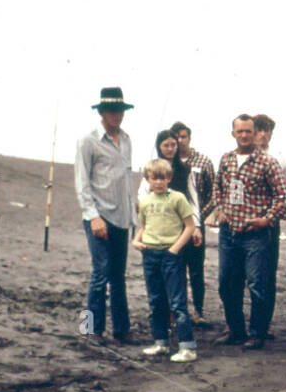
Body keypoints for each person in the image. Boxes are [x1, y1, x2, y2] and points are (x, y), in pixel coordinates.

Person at [213, 114, 286, 349]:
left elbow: (283, 196)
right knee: (227, 283)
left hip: (256, 235)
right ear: (233, 133)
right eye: (240, 131)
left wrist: (266, 219)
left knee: (258, 284)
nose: (244, 135)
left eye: (248, 131)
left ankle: (257, 333)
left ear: (255, 133)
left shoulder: (267, 162)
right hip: (229, 233)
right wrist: (220, 209)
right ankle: (236, 330)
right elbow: (218, 188)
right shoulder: (226, 160)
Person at [76, 87, 137, 342]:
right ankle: (91, 329)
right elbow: (82, 182)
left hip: (122, 218)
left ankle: (122, 330)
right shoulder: (88, 141)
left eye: (119, 111)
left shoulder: (127, 139)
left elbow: (126, 181)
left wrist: (133, 217)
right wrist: (93, 216)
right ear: (101, 112)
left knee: (118, 277)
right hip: (99, 217)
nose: (116, 115)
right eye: (111, 111)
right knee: (99, 274)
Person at [134, 158, 198, 362]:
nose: (159, 182)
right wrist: (136, 240)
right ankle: (160, 342)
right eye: (155, 178)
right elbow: (145, 226)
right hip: (149, 254)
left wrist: (174, 249)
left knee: (177, 301)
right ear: (148, 179)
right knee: (155, 300)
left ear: (169, 178)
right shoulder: (144, 202)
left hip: (171, 255)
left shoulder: (178, 198)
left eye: (163, 178)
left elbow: (189, 226)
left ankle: (187, 347)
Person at [170, 121, 214, 326]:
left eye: (183, 137)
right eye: (176, 137)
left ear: (189, 138)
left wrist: (198, 220)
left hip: (196, 222)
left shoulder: (203, 161)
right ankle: (174, 311)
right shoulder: (167, 161)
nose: (180, 141)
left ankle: (198, 310)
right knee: (173, 267)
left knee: (196, 268)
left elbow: (211, 194)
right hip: (171, 225)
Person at [251, 113, 286, 340]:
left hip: (269, 225)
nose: (262, 134)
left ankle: (266, 322)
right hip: (243, 224)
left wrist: (271, 217)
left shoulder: (280, 159)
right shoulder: (238, 157)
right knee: (239, 277)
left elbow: (284, 194)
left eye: (267, 130)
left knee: (267, 276)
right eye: (259, 129)